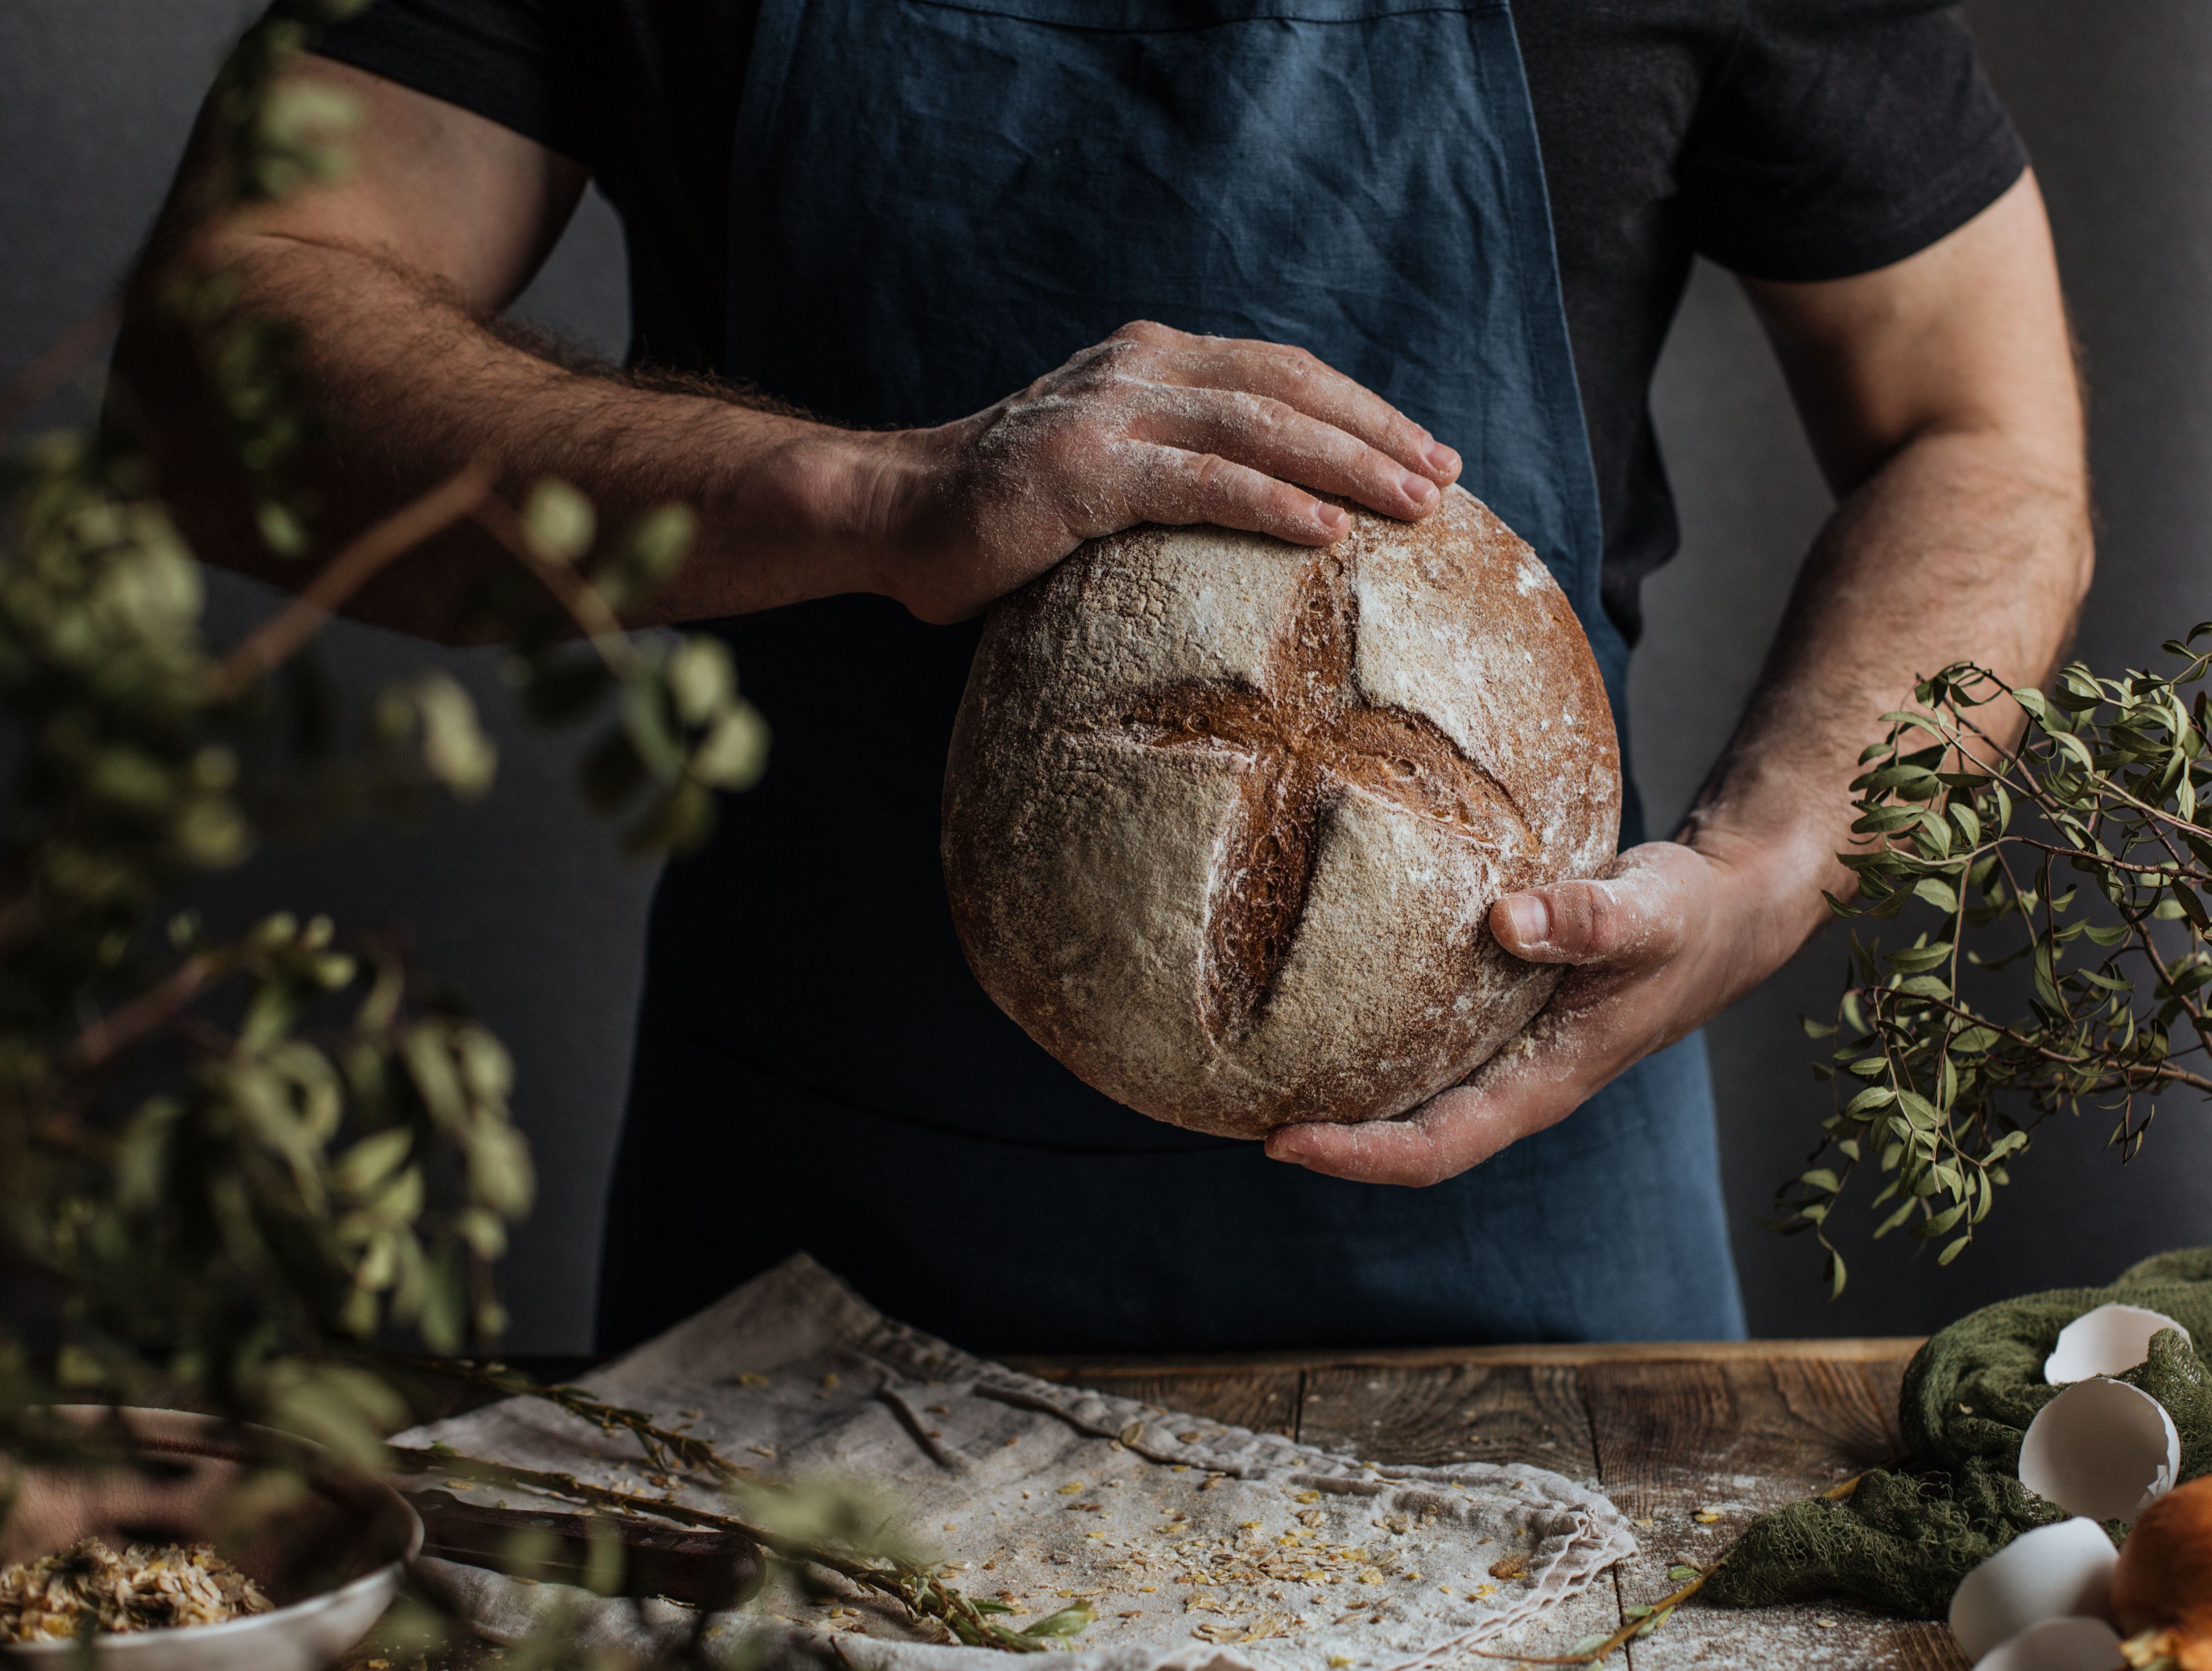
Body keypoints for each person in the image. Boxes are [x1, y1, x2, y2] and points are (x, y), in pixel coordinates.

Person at [118, 0, 2090, 1356]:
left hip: (1519, 1234)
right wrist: (862, 489)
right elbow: (225, 350)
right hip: (820, 1249)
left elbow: (1978, 434)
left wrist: (1758, 865)